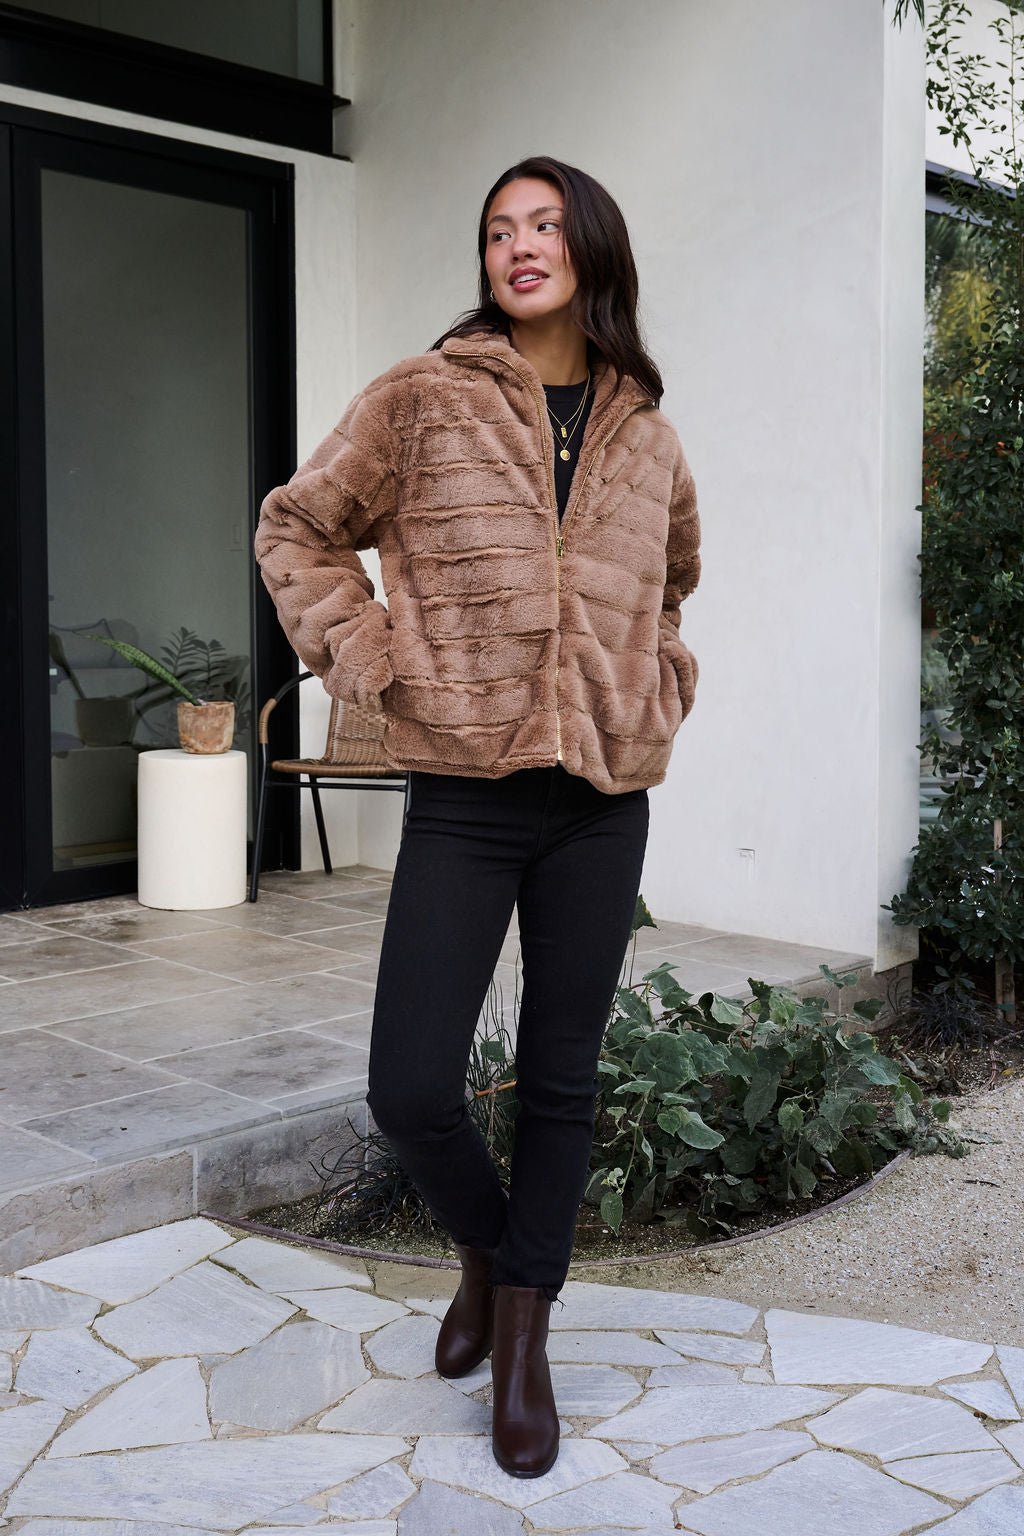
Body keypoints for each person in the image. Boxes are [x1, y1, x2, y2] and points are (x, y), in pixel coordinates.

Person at [254, 154, 702, 1479]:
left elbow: (671, 589)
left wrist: (657, 683)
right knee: (409, 1087)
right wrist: (376, 663)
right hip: (465, 793)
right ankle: (490, 1257)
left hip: (601, 801)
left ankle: (521, 1345)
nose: (520, 246)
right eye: (500, 229)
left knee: (563, 1084)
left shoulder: (647, 429)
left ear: (590, 249)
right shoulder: (422, 396)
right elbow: (299, 528)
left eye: (545, 225)